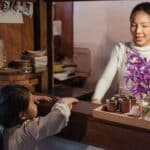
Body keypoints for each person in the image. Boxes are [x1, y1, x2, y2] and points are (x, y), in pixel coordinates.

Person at [92, 2, 150, 104]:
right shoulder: (121, 49)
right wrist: (96, 99)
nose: (138, 31)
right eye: (133, 25)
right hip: (122, 111)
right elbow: (106, 79)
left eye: (144, 26)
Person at [0, 84, 78, 150]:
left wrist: (28, 97)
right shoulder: (27, 131)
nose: (35, 104)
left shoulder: (4, 124)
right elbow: (60, 116)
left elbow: (7, 99)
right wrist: (64, 102)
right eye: (32, 102)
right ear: (23, 115)